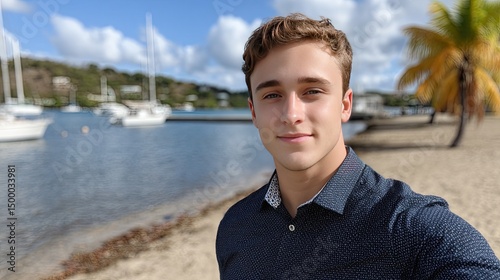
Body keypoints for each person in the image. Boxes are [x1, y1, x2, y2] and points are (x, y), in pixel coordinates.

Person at [215, 13, 500, 279]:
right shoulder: (234, 226)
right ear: (254, 112)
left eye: (312, 91)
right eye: (272, 94)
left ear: (345, 105)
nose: (291, 114)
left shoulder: (414, 228)